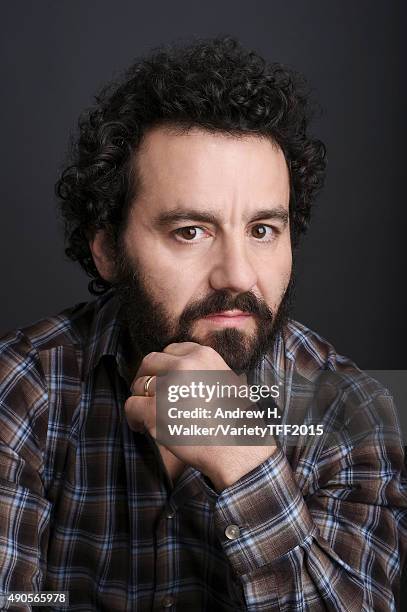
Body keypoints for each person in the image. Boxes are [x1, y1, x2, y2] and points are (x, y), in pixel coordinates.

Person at [0, 36, 405, 611]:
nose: (236, 275)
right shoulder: (20, 389)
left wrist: (244, 460)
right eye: (190, 231)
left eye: (263, 230)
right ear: (108, 249)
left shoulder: (353, 414)